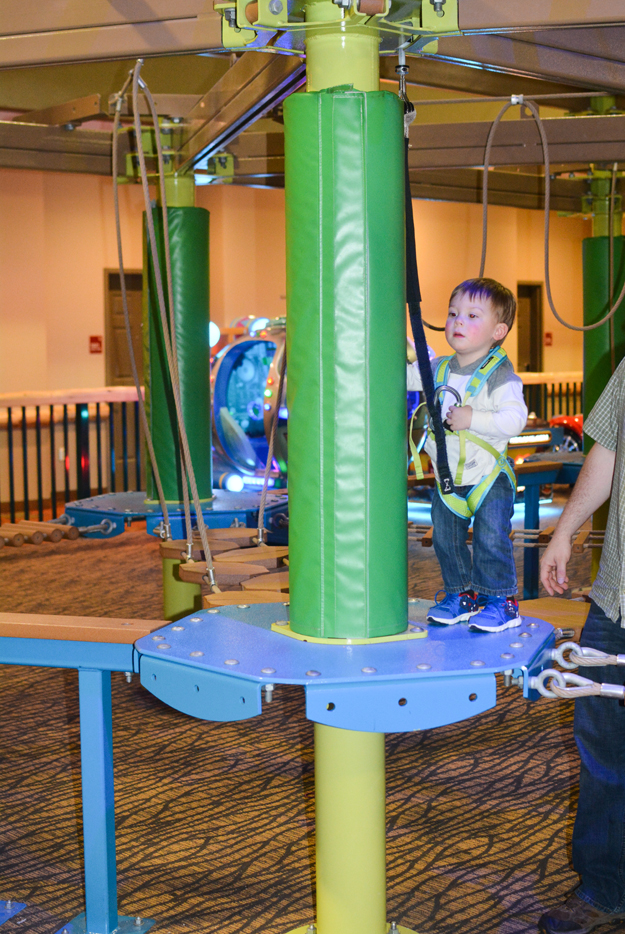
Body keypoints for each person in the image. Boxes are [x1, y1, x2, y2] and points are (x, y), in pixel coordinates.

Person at [539, 358, 625, 934]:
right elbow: (609, 452)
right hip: (617, 599)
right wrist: (565, 530)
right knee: (604, 755)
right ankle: (603, 887)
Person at [408, 277, 528, 632]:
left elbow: (514, 419)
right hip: (449, 479)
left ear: (498, 330)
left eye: (472, 316)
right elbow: (404, 376)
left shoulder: (499, 376)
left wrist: (473, 418)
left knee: (491, 538)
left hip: (488, 477)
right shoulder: (440, 370)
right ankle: (462, 594)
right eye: (453, 313)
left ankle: (501, 600)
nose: (459, 321)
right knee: (446, 539)